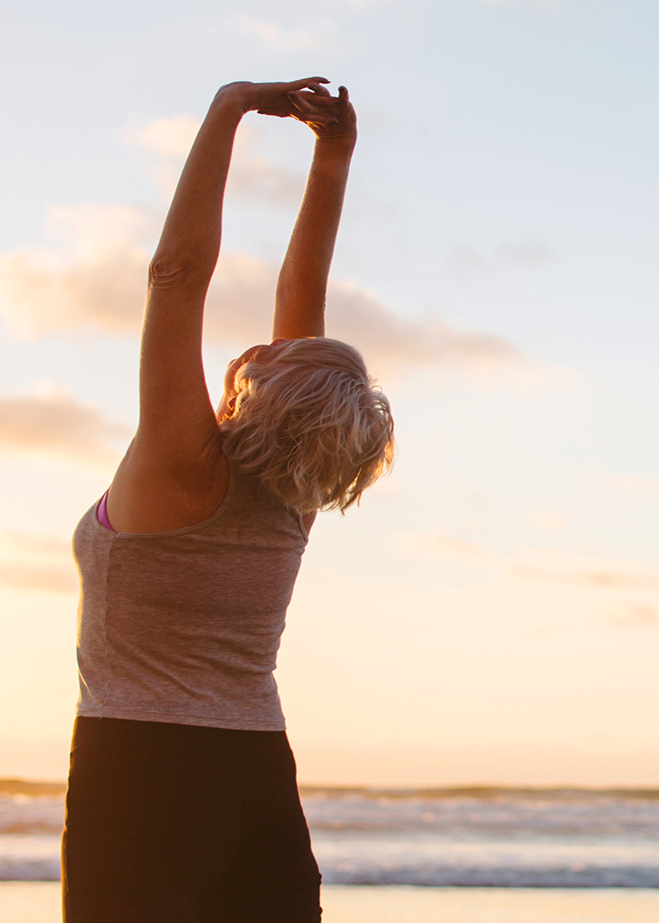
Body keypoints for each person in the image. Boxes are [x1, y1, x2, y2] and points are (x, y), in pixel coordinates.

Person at [63, 77, 394, 923]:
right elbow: (303, 292)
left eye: (277, 357)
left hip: (139, 775)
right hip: (257, 780)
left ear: (272, 398)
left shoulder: (181, 464)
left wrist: (229, 108)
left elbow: (176, 276)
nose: (264, 344)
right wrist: (333, 156)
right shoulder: (301, 491)